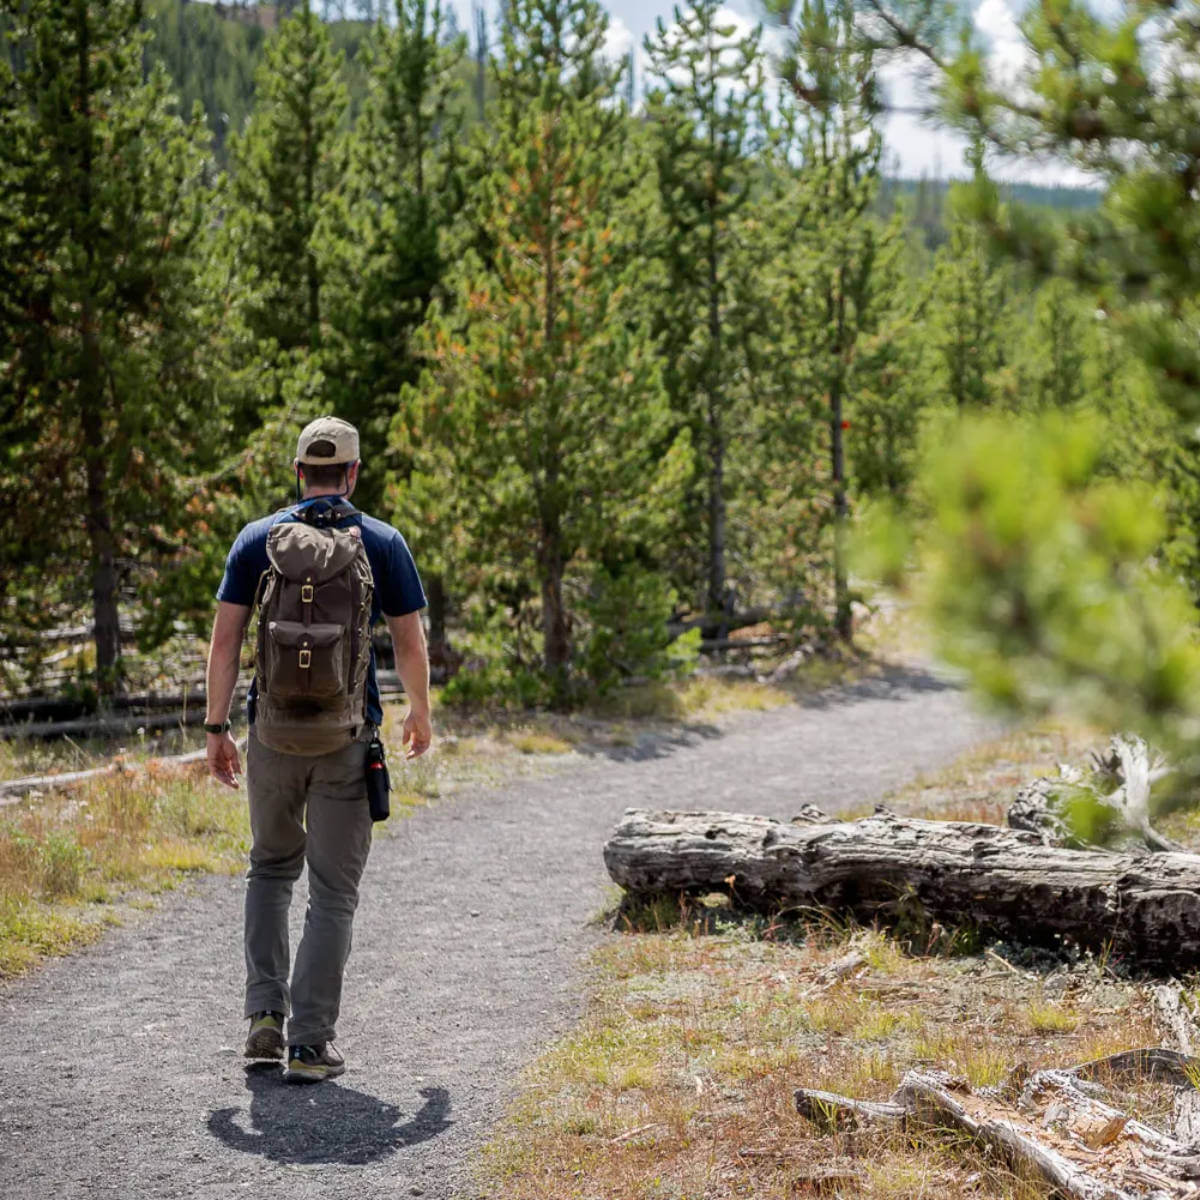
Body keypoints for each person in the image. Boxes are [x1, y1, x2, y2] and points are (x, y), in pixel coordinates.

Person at [204, 416, 432, 1083]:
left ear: (299, 472)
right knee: (332, 893)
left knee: (271, 870)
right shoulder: (382, 542)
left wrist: (216, 730)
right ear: (354, 473)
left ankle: (263, 1020)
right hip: (346, 739)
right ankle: (309, 1046)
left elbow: (224, 644)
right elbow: (411, 644)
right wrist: (420, 711)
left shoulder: (257, 541)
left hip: (271, 736)